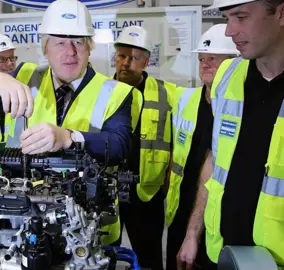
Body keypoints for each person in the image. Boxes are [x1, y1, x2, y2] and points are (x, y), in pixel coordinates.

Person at [0, 0, 142, 246]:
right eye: (59, 42)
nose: (70, 51)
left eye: (78, 42)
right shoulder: (24, 76)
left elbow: (120, 146)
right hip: (25, 220)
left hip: (90, 226)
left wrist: (68, 137)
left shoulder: (118, 93)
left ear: (90, 48)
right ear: (45, 49)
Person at [178, 0, 284, 269]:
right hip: (223, 254)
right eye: (228, 18)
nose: (229, 31)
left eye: (240, 17)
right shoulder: (227, 75)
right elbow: (215, 159)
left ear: (281, 13)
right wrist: (192, 233)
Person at [165, 24, 239, 270]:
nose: (205, 64)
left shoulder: (241, 109)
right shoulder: (184, 99)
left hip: (217, 217)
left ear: (234, 64)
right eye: (202, 59)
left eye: (214, 59)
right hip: (180, 210)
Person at [111, 25, 177, 270]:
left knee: (149, 257)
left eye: (135, 58)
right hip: (106, 191)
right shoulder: (99, 91)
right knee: (102, 254)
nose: (126, 63)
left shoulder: (167, 94)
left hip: (147, 192)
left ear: (147, 61)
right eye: (122, 56)